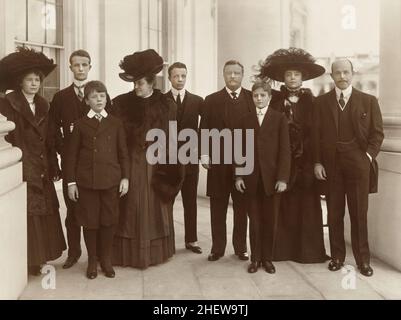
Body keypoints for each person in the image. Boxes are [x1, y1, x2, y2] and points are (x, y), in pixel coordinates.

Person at [111, 49, 182, 269]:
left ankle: (156, 254)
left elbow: (171, 137)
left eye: (140, 83)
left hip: (157, 162)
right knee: (130, 205)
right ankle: (128, 255)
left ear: (151, 82)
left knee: (155, 205)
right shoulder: (121, 103)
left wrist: (170, 167)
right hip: (131, 162)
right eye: (134, 83)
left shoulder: (166, 104)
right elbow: (117, 137)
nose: (136, 87)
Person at [313, 59, 384, 277]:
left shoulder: (368, 101)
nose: (342, 76)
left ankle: (363, 261)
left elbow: (377, 133)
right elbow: (315, 135)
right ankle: (337, 257)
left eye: (346, 72)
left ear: (353, 73)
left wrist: (367, 157)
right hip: (332, 166)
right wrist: (317, 162)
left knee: (359, 214)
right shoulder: (321, 102)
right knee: (334, 214)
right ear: (331, 76)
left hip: (358, 166)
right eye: (337, 73)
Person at [258, 47, 328, 263]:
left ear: (303, 77)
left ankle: (307, 252)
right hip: (281, 162)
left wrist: (316, 160)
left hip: (306, 162)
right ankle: (281, 251)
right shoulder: (275, 101)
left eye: (296, 74)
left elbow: (318, 133)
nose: (292, 78)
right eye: (288, 75)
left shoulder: (313, 102)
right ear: (283, 78)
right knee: (283, 204)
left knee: (307, 205)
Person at [0, 47, 66, 275]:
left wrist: (54, 163)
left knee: (42, 213)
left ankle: (39, 259)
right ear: (20, 82)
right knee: (26, 214)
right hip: (21, 165)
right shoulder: (7, 104)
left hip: (42, 166)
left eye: (37, 79)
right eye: (29, 79)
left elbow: (49, 139)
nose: (34, 83)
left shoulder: (44, 105)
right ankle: (25, 260)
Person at [50, 50, 109, 269]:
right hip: (71, 164)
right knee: (73, 210)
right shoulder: (60, 97)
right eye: (76, 65)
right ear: (70, 67)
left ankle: (100, 255)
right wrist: (63, 151)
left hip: (95, 165)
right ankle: (74, 252)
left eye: (85, 64)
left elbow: (108, 125)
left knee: (97, 210)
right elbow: (53, 129)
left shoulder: (100, 94)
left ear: (90, 67)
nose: (81, 69)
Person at [64, 81, 129, 279]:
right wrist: (71, 182)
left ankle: (105, 259)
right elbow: (71, 156)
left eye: (102, 95)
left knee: (109, 220)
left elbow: (123, 153)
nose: (99, 99)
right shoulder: (80, 124)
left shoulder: (116, 123)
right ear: (86, 101)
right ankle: (92, 260)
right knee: (90, 221)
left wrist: (125, 177)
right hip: (87, 182)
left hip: (111, 180)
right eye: (94, 96)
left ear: (106, 98)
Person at [235, 80, 290, 273]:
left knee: (270, 220)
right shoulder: (244, 120)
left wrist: (282, 178)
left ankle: (268, 258)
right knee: (255, 221)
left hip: (273, 180)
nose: (259, 99)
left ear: (269, 97)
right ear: (252, 98)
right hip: (251, 179)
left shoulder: (279, 118)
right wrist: (239, 176)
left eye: (262, 95)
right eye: (256, 96)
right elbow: (239, 150)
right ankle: (255, 259)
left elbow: (285, 151)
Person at [200, 60, 253, 262]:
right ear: (223, 75)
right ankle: (217, 248)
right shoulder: (211, 100)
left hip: (244, 163)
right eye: (229, 73)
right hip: (219, 163)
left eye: (237, 73)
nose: (233, 76)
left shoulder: (251, 98)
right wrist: (204, 154)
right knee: (218, 207)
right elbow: (203, 128)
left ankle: (240, 247)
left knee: (242, 208)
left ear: (242, 75)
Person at [165, 62, 203, 254]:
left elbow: (203, 130)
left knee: (190, 201)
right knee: (166, 202)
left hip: (190, 159)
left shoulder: (197, 101)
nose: (180, 80)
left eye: (183, 76)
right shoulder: (161, 100)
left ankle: (192, 240)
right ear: (169, 77)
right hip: (168, 162)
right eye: (176, 76)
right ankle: (167, 241)